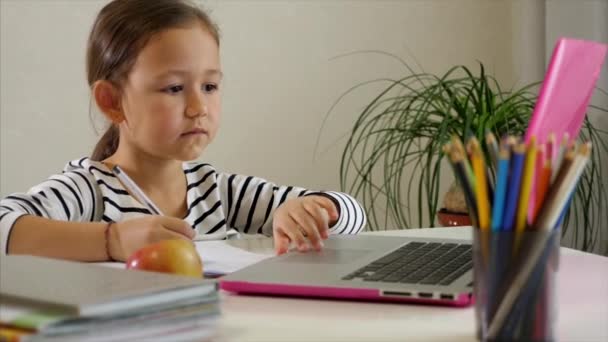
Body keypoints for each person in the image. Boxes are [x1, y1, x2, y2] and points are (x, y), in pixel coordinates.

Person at [0, 0, 365, 262]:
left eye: (209, 87)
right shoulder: (89, 191)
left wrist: (313, 210)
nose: (198, 108)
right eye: (174, 88)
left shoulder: (217, 191)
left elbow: (354, 215)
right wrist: (111, 241)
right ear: (111, 101)